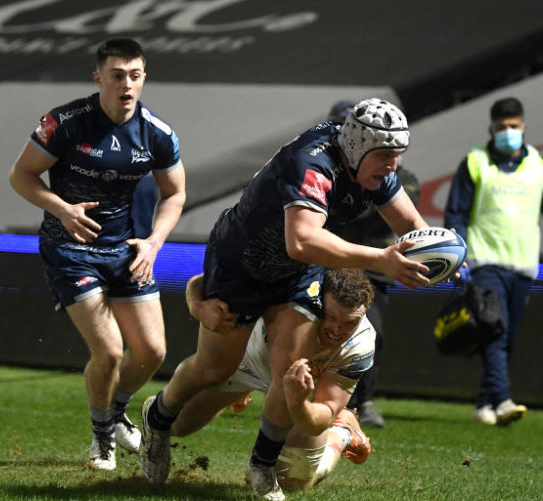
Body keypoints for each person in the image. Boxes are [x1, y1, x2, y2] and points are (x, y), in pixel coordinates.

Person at [139, 98, 430, 500]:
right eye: (385, 155)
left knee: (291, 369)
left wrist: (438, 255)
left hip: (298, 272)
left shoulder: (372, 169)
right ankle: (156, 420)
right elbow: (301, 240)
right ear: (357, 146)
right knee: (212, 367)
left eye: (398, 156)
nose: (393, 165)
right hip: (244, 263)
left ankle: (262, 468)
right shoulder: (311, 162)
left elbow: (411, 227)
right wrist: (382, 258)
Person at [9, 38, 186, 470]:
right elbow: (22, 176)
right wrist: (62, 209)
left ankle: (119, 411)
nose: (127, 84)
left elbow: (175, 193)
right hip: (70, 249)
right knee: (108, 352)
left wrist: (153, 242)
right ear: (99, 78)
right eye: (118, 75)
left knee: (151, 352)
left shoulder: (156, 133)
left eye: (136, 75)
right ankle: (102, 438)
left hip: (126, 249)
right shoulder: (64, 122)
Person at [443, 97, 543, 426]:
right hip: (485, 261)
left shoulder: (538, 166)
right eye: (501, 127)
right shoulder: (475, 163)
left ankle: (484, 404)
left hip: (523, 265)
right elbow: (457, 214)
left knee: (507, 335)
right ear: (490, 129)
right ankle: (504, 401)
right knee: (496, 331)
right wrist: (458, 256)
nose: (508, 132)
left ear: (524, 127)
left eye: (513, 126)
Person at [172, 268, 376, 491]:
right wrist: (196, 306)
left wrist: (300, 404)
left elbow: (324, 412)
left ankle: (341, 433)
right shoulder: (287, 289)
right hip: (242, 366)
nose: (337, 330)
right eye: (331, 316)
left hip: (300, 393)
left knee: (293, 482)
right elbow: (202, 282)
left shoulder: (360, 343)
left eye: (350, 322)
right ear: (316, 300)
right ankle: (240, 392)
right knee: (176, 424)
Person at [327, 100, 422, 428]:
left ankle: (363, 401)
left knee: (372, 335)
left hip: (376, 269)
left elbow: (384, 221)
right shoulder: (322, 172)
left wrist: (437, 248)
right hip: (330, 262)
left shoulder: (396, 177)